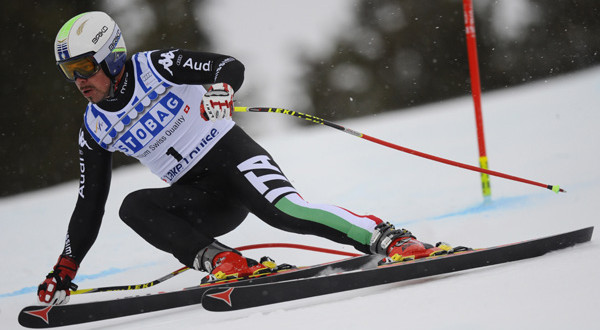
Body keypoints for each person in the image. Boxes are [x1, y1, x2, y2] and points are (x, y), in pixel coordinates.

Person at [38, 11, 451, 305]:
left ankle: (391, 238)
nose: (78, 81)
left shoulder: (157, 66)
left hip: (232, 158)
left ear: (110, 56)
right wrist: (65, 267)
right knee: (134, 207)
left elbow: (228, 66)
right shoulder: (94, 127)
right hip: (202, 197)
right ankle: (226, 262)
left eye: (84, 68)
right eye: (68, 72)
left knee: (286, 212)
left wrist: (221, 90)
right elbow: (90, 202)